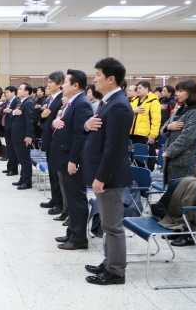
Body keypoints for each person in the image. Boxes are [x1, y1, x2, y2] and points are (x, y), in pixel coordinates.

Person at [83, 57, 133, 286]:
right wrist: (86, 126)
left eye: (98, 76)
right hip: (102, 173)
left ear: (111, 79)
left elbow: (114, 148)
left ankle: (116, 271)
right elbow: (96, 129)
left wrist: (101, 177)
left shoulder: (120, 105)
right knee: (106, 224)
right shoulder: (108, 101)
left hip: (110, 177)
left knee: (112, 226)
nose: (94, 80)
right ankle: (108, 261)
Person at [49, 70, 93, 250]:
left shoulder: (82, 104)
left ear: (75, 85)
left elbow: (80, 135)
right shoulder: (72, 103)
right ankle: (72, 232)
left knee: (76, 198)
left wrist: (73, 160)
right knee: (70, 196)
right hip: (64, 156)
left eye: (65, 82)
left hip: (71, 159)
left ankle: (79, 238)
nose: (62, 85)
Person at [160, 79, 196, 183]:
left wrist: (169, 152)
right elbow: (163, 129)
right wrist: (168, 127)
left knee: (185, 194)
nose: (177, 94)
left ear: (191, 92)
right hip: (174, 160)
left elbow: (187, 138)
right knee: (174, 193)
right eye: (177, 91)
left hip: (186, 162)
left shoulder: (195, 112)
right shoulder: (180, 109)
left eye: (181, 91)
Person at [39, 71, 65, 217]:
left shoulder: (62, 98)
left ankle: (59, 203)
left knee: (56, 173)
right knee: (52, 172)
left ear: (59, 84)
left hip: (56, 141)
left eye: (50, 82)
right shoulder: (50, 99)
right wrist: (42, 116)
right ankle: (54, 198)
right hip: (48, 138)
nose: (48, 85)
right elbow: (44, 119)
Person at [129, 80, 161, 171]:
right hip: (133, 133)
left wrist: (152, 135)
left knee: (146, 159)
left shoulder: (153, 101)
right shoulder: (135, 100)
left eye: (140, 88)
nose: (138, 90)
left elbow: (156, 120)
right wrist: (134, 111)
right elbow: (128, 113)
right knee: (134, 158)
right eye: (137, 88)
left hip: (145, 134)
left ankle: (147, 176)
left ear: (146, 89)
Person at [11, 83, 35, 190]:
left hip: (23, 136)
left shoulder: (28, 103)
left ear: (27, 92)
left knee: (25, 159)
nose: (18, 90)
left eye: (20, 89)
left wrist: (29, 136)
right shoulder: (21, 102)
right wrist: (14, 113)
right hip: (17, 135)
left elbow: (29, 121)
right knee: (21, 158)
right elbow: (14, 114)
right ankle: (22, 178)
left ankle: (27, 181)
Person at [1, 86, 20, 177]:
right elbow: (1, 111)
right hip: (6, 127)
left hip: (13, 128)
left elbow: (16, 112)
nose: (6, 94)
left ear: (13, 92)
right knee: (9, 148)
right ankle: (9, 167)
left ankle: (14, 169)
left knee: (13, 149)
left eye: (7, 92)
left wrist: (10, 111)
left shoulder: (17, 101)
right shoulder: (8, 102)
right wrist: (5, 110)